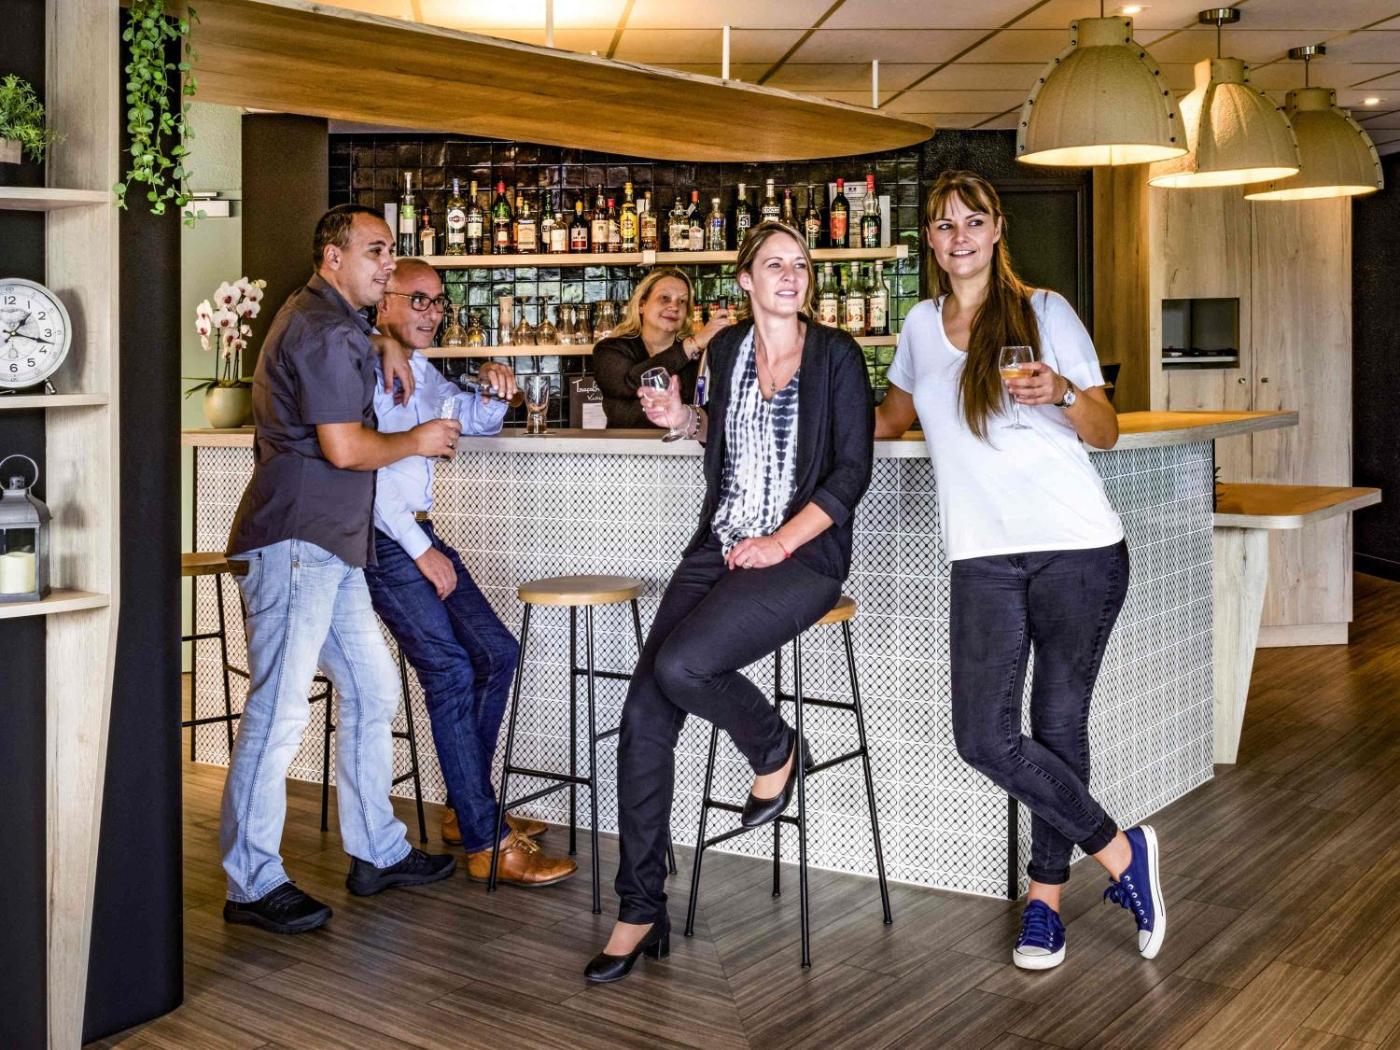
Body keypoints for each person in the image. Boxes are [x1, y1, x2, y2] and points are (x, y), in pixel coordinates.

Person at [874, 171, 1164, 971]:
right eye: (944, 225)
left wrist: (1062, 391)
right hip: (982, 557)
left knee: (1058, 728)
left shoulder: (1045, 311)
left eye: (973, 221)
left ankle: (1045, 907)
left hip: (1078, 549)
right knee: (984, 737)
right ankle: (1123, 853)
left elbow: (1103, 430)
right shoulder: (920, 326)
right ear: (930, 242)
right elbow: (889, 420)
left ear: (998, 229)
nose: (959, 236)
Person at [584, 221, 874, 983]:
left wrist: (780, 542)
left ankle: (774, 747)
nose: (791, 275)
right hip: (718, 545)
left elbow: (851, 472)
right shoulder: (727, 349)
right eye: (775, 264)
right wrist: (682, 419)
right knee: (644, 718)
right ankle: (640, 906)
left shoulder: (836, 355)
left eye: (800, 264)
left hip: (801, 557)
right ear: (746, 279)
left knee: (682, 665)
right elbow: (720, 435)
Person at [221, 205, 461, 935]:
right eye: (375, 251)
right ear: (333, 257)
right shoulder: (323, 329)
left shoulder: (332, 320)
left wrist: (384, 339)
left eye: (391, 251)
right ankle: (251, 883)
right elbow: (346, 449)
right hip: (299, 542)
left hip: (330, 545)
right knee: (279, 711)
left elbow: (355, 357)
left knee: (373, 687)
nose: (389, 265)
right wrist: (419, 438)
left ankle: (377, 852)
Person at [362, 258, 577, 888]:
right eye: (419, 300)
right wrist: (418, 548)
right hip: (385, 539)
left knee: (497, 652)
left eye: (438, 302)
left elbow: (470, 419)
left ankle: (468, 808)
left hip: (417, 534)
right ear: (383, 301)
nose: (432, 312)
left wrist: (491, 386)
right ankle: (487, 842)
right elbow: (363, 473)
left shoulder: (421, 369)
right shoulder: (366, 369)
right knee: (452, 670)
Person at [592, 267, 729, 428]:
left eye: (682, 301)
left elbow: (712, 410)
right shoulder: (610, 350)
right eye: (665, 298)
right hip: (627, 444)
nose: (674, 306)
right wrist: (692, 344)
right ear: (642, 305)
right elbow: (629, 383)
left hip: (683, 444)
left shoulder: (699, 358)